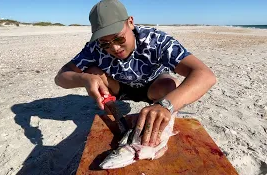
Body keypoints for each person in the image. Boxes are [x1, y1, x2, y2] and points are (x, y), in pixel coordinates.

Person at [55, 0, 216, 150]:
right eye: (105, 43)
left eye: (118, 37)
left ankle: (162, 111)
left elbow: (205, 75)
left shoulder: (156, 41)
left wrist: (167, 105)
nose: (115, 48)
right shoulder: (94, 48)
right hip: (118, 87)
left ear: (130, 22)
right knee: (92, 72)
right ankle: (112, 108)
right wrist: (83, 78)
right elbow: (61, 77)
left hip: (153, 87)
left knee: (168, 85)